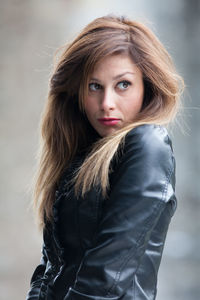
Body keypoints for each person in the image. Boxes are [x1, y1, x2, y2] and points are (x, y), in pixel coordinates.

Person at [26, 15, 184, 300]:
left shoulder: (148, 145)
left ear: (147, 87)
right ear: (78, 93)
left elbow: (104, 282)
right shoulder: (79, 154)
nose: (106, 104)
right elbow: (49, 270)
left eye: (123, 85)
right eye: (94, 86)